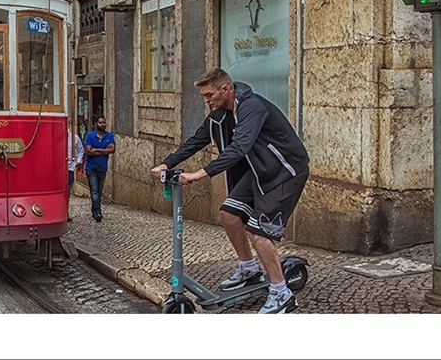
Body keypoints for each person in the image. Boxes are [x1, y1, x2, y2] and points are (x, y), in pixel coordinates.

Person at [150, 68, 310, 315]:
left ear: (225, 89)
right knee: (229, 214)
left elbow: (239, 147)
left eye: (209, 95)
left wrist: (200, 174)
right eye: (204, 96)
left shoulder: (252, 107)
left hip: (284, 172)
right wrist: (166, 163)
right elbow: (197, 140)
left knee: (258, 231)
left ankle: (282, 294)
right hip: (259, 170)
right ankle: (249, 269)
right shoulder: (219, 114)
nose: (206, 100)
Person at [83, 115, 115, 223]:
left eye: (103, 122)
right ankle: (97, 212)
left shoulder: (109, 136)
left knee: (99, 191)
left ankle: (94, 210)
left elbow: (112, 150)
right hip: (91, 167)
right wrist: (104, 150)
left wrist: (96, 150)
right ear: (96, 124)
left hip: (102, 167)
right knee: (94, 190)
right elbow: (88, 151)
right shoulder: (90, 136)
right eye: (100, 122)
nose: (102, 124)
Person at [65, 129, 85, 223]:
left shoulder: (74, 137)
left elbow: (81, 150)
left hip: (69, 169)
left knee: (67, 193)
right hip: (57, 169)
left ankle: (66, 213)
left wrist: (78, 162)